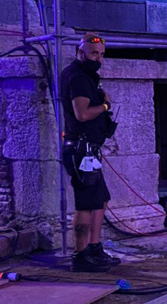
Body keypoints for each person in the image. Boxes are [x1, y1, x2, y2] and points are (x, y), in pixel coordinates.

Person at [59, 33, 121, 272]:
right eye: (94, 53)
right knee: (85, 203)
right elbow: (82, 113)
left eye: (102, 54)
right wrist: (105, 105)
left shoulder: (85, 76)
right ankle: (81, 254)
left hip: (89, 150)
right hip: (81, 150)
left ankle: (94, 248)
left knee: (100, 199)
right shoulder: (79, 77)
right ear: (80, 52)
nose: (99, 59)